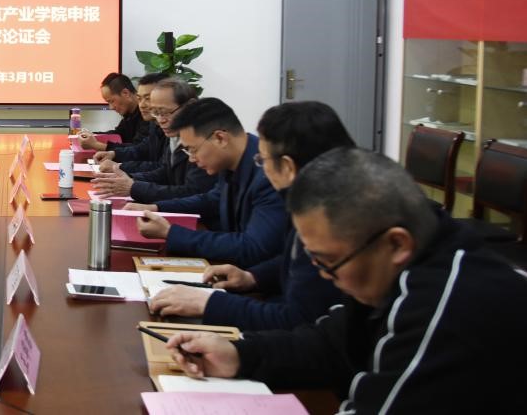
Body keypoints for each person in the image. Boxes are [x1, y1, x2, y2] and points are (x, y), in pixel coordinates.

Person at [164, 148, 527, 414]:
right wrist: (239, 355)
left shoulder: (446, 306)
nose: (323, 275)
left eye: (329, 261)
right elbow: (331, 343)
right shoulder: (407, 258)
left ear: (397, 244)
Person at [149, 101, 351, 330]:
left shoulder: (328, 221)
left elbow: (298, 319)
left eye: (263, 160)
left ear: (287, 167)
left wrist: (211, 304)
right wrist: (253, 277)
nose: (191, 159)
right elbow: (293, 259)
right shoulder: (318, 198)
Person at [129, 98, 287, 267]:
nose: (192, 159)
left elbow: (253, 247)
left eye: (192, 149)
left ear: (220, 138)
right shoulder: (232, 159)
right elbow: (211, 199)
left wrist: (170, 233)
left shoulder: (270, 174)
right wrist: (156, 207)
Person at [91, 78, 215, 203]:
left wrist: (133, 186)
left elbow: (194, 192)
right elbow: (164, 171)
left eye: (165, 112)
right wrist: (128, 179)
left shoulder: (204, 138)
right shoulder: (169, 130)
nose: (161, 120)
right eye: (156, 113)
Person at [91, 72, 168, 173]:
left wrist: (118, 167)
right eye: (139, 99)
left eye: (148, 98)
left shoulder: (177, 129)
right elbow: (141, 149)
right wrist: (114, 154)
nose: (142, 105)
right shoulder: (153, 124)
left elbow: (162, 170)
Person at [77, 73, 143, 150]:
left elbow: (138, 150)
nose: (111, 107)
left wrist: (96, 145)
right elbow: (118, 134)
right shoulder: (129, 115)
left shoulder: (147, 115)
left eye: (112, 101)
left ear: (126, 93)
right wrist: (91, 135)